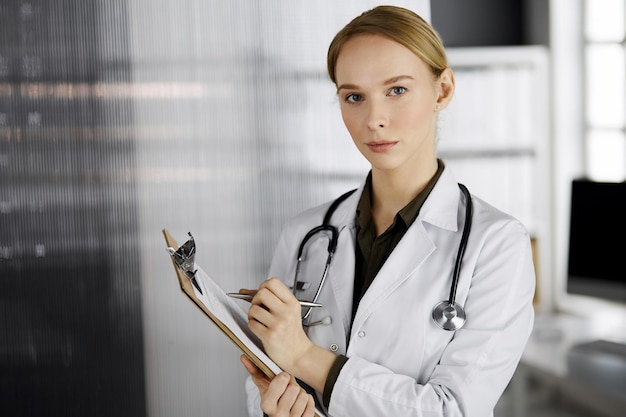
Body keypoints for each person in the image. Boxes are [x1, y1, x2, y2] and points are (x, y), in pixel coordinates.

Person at [238, 5, 536, 417]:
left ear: (442, 90)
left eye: (397, 90)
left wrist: (304, 357)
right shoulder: (305, 233)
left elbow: (453, 411)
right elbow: (263, 385)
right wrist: (272, 407)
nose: (374, 119)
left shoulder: (498, 245)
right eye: (354, 96)